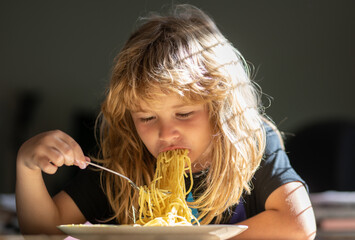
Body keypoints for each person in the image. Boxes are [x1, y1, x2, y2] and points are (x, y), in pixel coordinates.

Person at [16, 4, 316, 239]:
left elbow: (298, 226)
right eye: (146, 117)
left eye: (184, 114)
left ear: (221, 108)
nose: (166, 133)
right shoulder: (125, 161)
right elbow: (46, 231)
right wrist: (27, 168)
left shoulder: (250, 143)